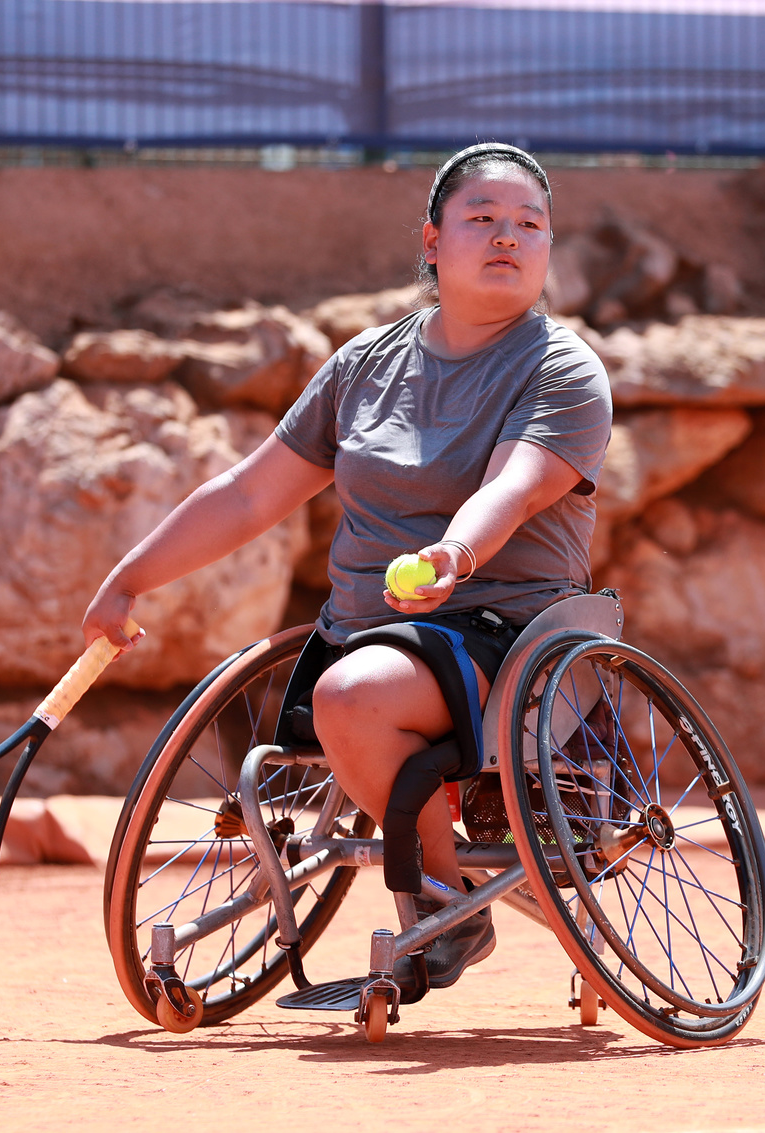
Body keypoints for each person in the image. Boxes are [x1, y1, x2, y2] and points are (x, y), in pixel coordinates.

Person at [83, 142, 612, 993]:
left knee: (350, 696)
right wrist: (130, 578)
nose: (508, 236)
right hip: (362, 635)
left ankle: (446, 902)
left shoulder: (563, 368)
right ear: (431, 241)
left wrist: (452, 554)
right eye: (482, 218)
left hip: (504, 639)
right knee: (347, 685)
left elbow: (512, 488)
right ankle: (447, 883)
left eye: (530, 224)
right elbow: (249, 494)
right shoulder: (364, 364)